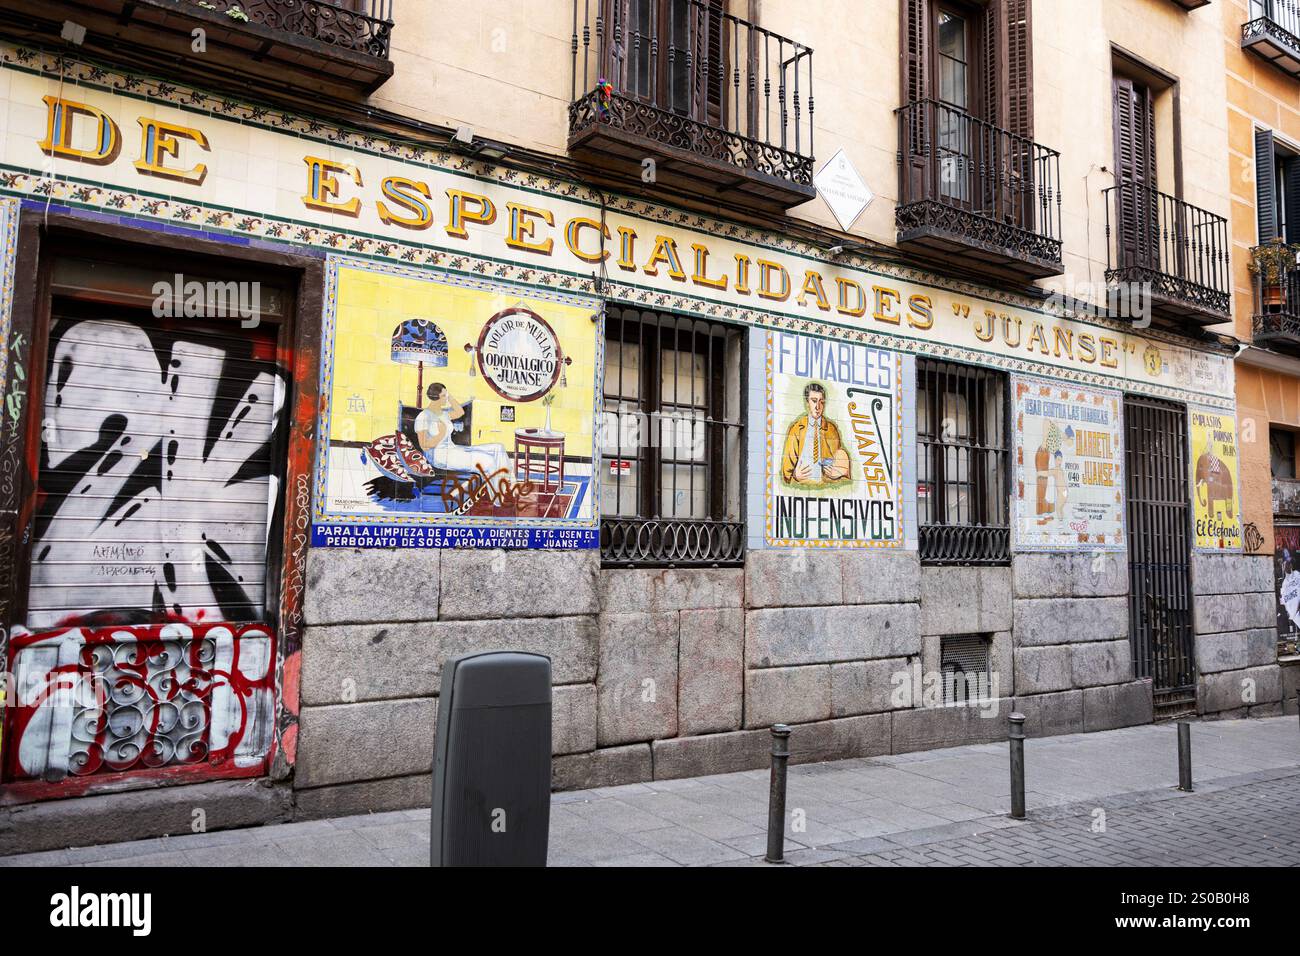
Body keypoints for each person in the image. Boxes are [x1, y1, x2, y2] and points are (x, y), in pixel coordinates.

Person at [415, 382, 512, 478]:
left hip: (452, 449)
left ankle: (509, 483)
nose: (447, 398)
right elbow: (424, 445)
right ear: (435, 397)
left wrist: (450, 397)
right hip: (439, 456)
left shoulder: (443, 413)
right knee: (489, 460)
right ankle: (499, 491)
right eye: (444, 395)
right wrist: (441, 434)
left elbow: (460, 412)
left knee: (498, 448)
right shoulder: (424, 416)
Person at [780, 382, 850, 485]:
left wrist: (838, 472)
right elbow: (786, 469)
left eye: (821, 402)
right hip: (802, 485)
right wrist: (795, 474)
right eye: (814, 401)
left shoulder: (831, 429)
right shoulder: (796, 429)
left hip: (825, 485)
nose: (818, 407)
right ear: (807, 402)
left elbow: (839, 461)